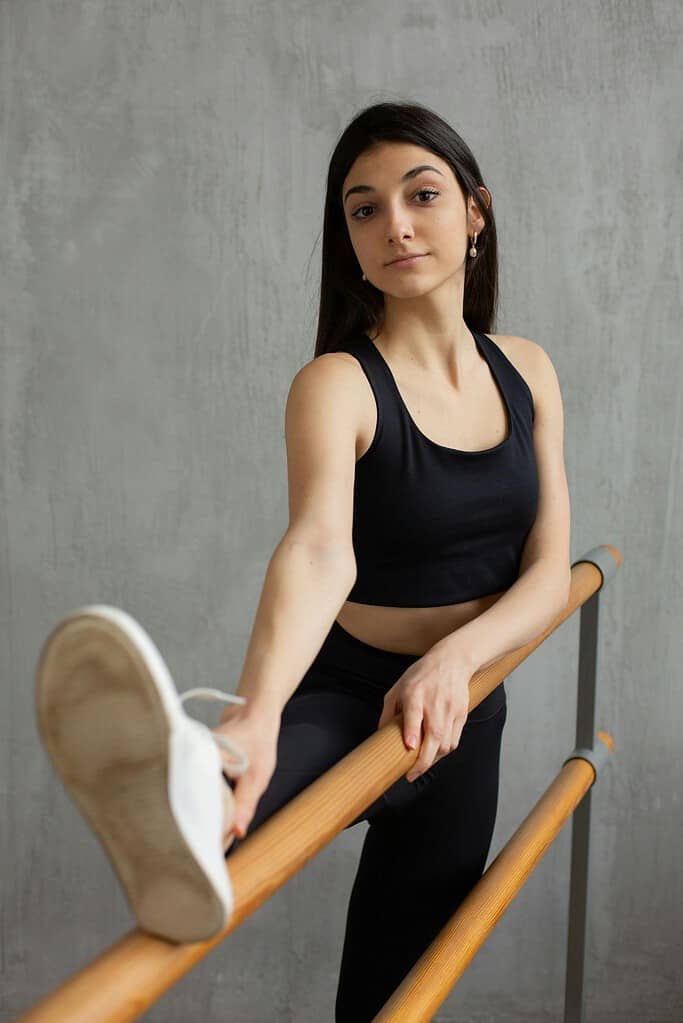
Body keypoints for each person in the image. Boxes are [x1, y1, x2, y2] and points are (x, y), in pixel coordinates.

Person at [34, 101, 571, 1022]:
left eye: (421, 194)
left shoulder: (527, 370)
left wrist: (453, 660)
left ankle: (199, 787)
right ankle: (190, 788)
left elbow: (551, 566)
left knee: (391, 997)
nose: (394, 223)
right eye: (363, 209)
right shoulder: (335, 384)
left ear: (474, 212)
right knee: (243, 789)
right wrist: (260, 709)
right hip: (346, 694)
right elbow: (318, 548)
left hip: (461, 712)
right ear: (349, 243)